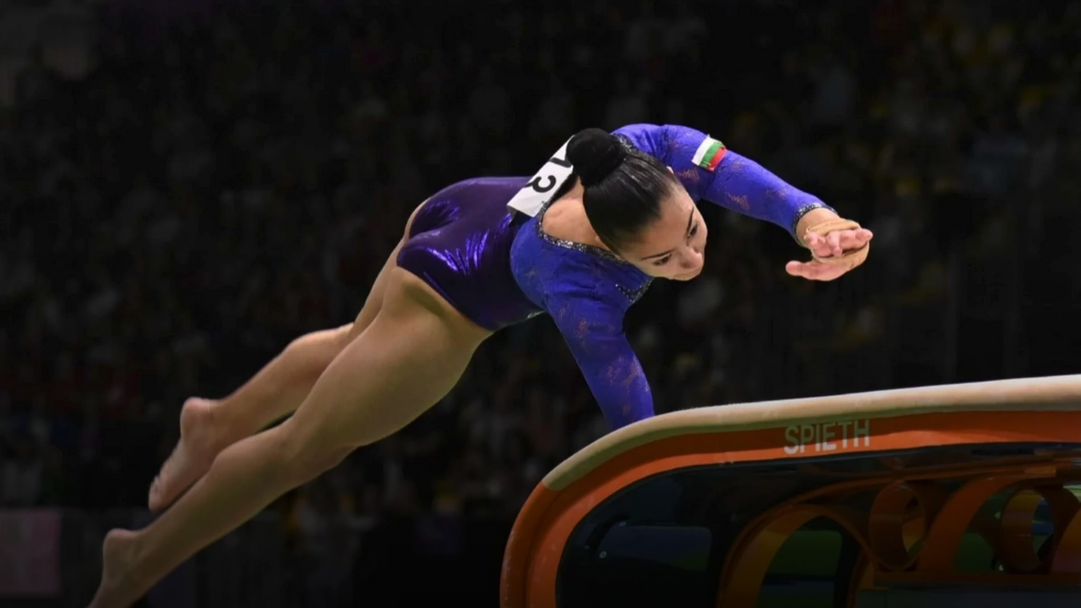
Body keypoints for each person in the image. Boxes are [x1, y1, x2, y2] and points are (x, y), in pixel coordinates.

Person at [88, 124, 871, 607]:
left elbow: (735, 175)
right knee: (307, 449)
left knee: (352, 341)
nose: (692, 261)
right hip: (448, 300)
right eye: (662, 261)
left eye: (693, 231)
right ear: (609, 248)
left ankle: (214, 420)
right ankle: (138, 558)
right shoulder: (571, 283)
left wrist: (814, 220)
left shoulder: (645, 147)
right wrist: (674, 482)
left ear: (672, 179)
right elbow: (625, 401)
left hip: (461, 207)